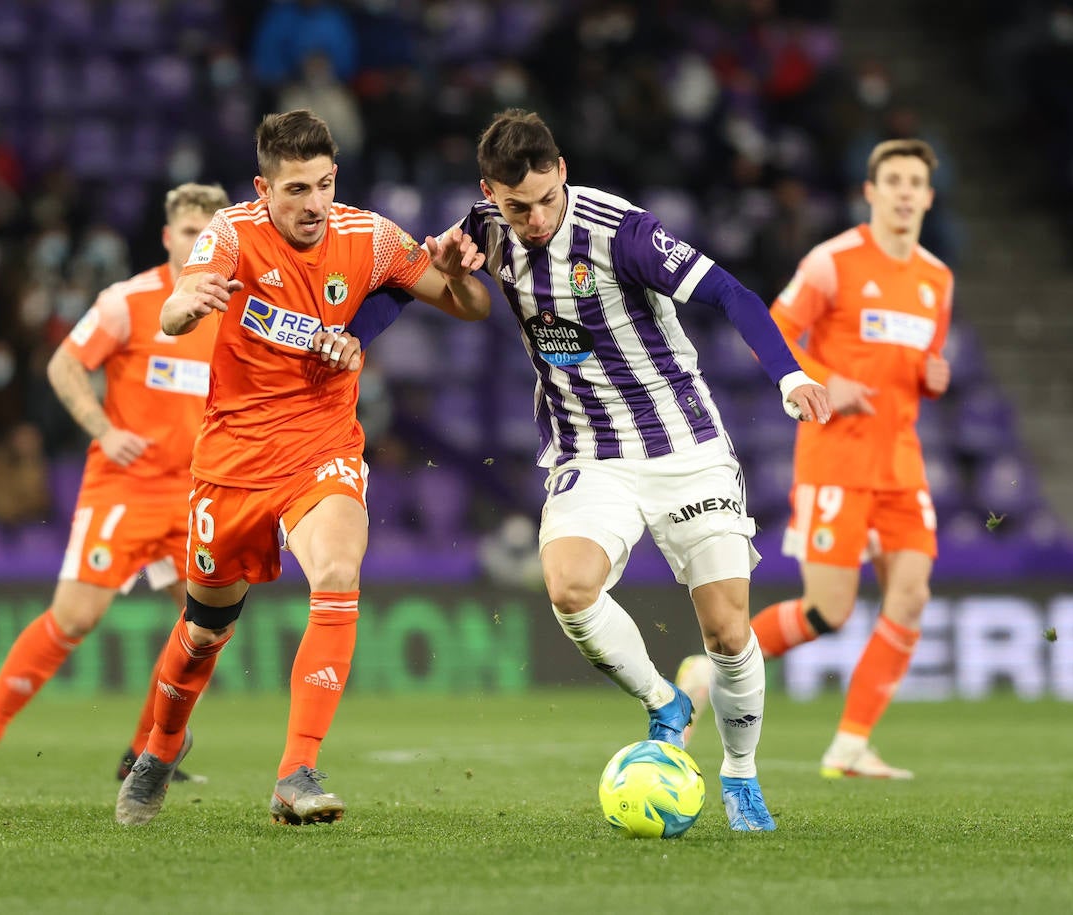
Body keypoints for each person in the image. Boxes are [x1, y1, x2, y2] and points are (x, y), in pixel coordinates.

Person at [352, 109, 830, 832]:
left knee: (728, 631)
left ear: (563, 172)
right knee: (569, 586)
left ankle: (740, 773)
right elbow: (410, 282)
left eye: (546, 199)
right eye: (518, 207)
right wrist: (349, 340)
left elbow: (733, 293)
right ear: (490, 192)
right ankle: (664, 703)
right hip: (589, 451)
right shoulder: (482, 227)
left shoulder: (622, 233)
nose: (535, 218)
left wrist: (789, 376)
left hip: (685, 447)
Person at [114, 109, 490, 827]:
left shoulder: (370, 236)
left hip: (324, 451)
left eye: (322, 185)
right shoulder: (232, 233)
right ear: (264, 189)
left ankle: (297, 771)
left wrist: (458, 277)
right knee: (201, 633)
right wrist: (183, 305)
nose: (312, 203)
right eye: (294, 190)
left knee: (340, 572)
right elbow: (178, 306)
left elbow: (467, 307)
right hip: (232, 463)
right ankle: (160, 748)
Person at [677, 138, 953, 780]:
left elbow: (920, 368)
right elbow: (771, 330)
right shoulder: (834, 263)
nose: (907, 192)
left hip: (902, 463)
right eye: (895, 181)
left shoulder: (937, 279)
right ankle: (704, 671)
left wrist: (933, 378)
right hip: (836, 459)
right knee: (828, 610)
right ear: (872, 192)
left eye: (917, 182)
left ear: (929, 197)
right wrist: (829, 380)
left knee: (909, 599)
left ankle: (850, 745)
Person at [0, 183, 232, 783]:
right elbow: (64, 364)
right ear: (166, 237)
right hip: (126, 488)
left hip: (201, 492)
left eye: (209, 234)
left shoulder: (237, 308)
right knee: (73, 619)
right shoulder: (128, 302)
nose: (197, 243)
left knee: (205, 629)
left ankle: (144, 753)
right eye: (187, 232)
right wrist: (102, 428)